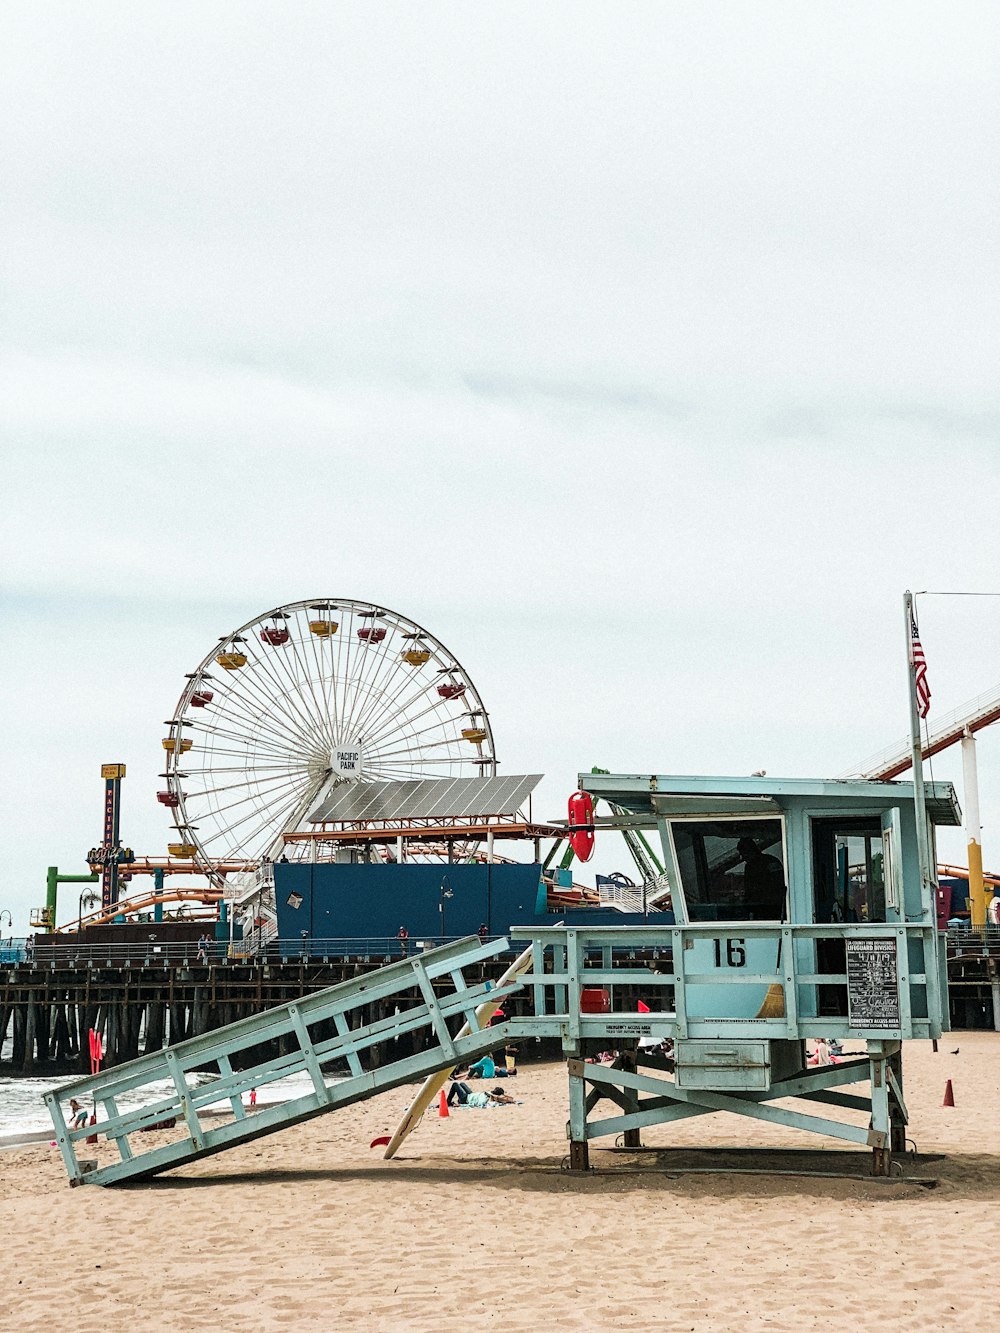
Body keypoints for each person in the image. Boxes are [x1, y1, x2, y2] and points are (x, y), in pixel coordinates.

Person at [736, 837, 786, 918]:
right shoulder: (750, 866)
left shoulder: (770, 862)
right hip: (758, 907)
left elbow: (779, 883)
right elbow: (749, 889)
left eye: (743, 853)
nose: (742, 858)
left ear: (750, 851)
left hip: (774, 906)